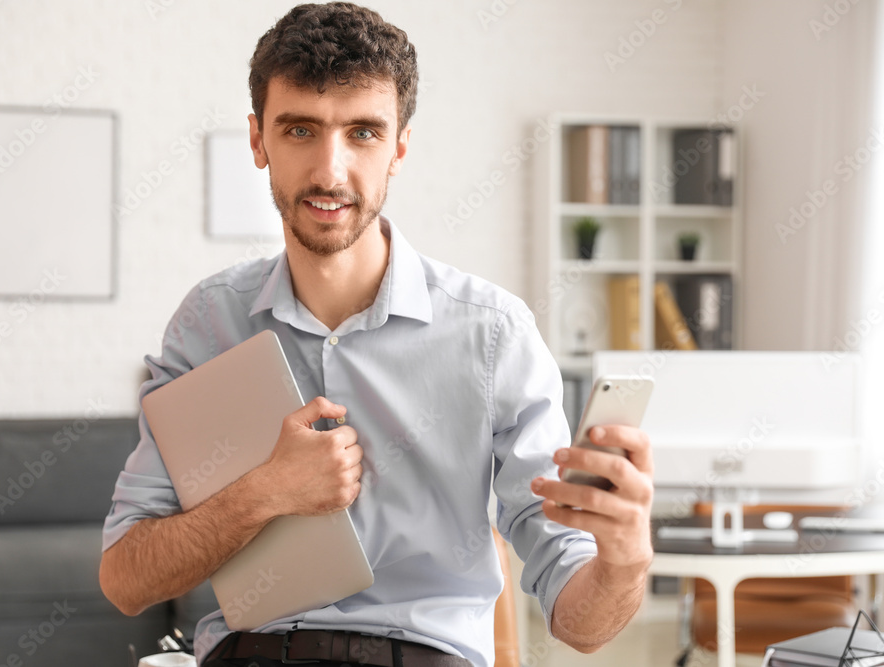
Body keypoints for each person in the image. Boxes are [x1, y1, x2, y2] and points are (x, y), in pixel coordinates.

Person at [99, 3, 654, 666]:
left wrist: (625, 558)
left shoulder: (494, 335)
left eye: (362, 132)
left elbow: (583, 626)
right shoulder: (207, 321)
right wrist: (266, 491)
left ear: (399, 147)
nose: (331, 172)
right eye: (300, 129)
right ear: (258, 141)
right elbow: (126, 579)